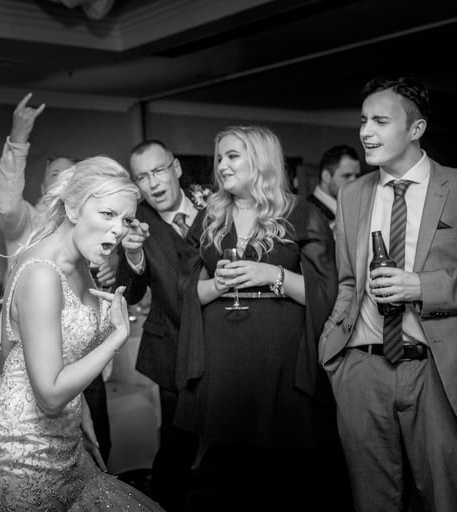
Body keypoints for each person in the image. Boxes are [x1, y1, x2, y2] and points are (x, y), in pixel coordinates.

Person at [0, 156, 163, 512]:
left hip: (66, 439)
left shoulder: (82, 264)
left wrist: (79, 403)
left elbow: (17, 351)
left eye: (126, 218)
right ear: (72, 208)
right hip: (23, 454)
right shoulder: (41, 274)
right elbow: (50, 395)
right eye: (107, 214)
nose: (118, 230)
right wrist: (117, 338)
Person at [175, 125, 339, 511]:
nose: (222, 166)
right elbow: (186, 293)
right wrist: (216, 286)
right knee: (227, 472)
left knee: (284, 472)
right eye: (219, 158)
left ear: (260, 160)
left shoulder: (301, 214)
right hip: (221, 356)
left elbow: (326, 292)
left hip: (279, 356)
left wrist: (273, 275)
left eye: (232, 156)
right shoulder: (209, 217)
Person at [319, 77, 457, 512]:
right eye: (363, 121)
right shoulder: (353, 193)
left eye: (380, 121)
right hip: (362, 369)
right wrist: (335, 352)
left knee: (444, 497)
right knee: (372, 501)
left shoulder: (454, 186)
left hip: (434, 370)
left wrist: (422, 285)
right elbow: (346, 281)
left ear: (415, 130)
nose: (366, 132)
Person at [0, 92, 112, 463]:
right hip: (32, 368)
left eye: (75, 176)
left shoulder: (93, 236)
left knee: (98, 448)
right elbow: (7, 199)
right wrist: (19, 136)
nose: (67, 181)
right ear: (44, 187)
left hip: (87, 363)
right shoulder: (24, 221)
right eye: (57, 175)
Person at [114, 139, 201, 511]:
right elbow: (131, 293)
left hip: (222, 347)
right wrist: (132, 254)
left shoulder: (214, 212)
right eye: (142, 176)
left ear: (176, 168)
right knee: (176, 447)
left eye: (159, 170)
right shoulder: (138, 225)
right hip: (171, 350)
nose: (153, 182)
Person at [307, 144, 361, 227]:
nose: (355, 182)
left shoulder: (354, 208)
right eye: (346, 176)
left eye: (357, 176)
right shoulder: (307, 213)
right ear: (326, 176)